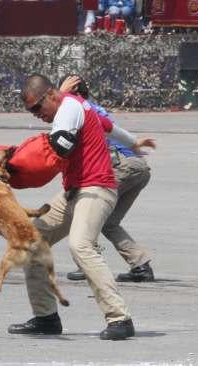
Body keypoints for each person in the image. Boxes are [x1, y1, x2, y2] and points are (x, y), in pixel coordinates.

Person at [10, 73, 155, 340]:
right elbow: (108, 126)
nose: (35, 114)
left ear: (51, 94)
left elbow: (60, 145)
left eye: (37, 107)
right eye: (30, 110)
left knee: (80, 245)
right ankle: (46, 318)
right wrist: (133, 142)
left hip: (97, 187)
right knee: (30, 240)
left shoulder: (68, 107)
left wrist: (14, 165)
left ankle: (119, 318)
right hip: (74, 190)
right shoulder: (73, 105)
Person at [59, 75, 155, 283]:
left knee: (84, 207)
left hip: (120, 165)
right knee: (109, 222)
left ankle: (88, 263)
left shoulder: (77, 110)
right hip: (137, 165)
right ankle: (140, 266)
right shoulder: (92, 107)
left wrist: (62, 93)